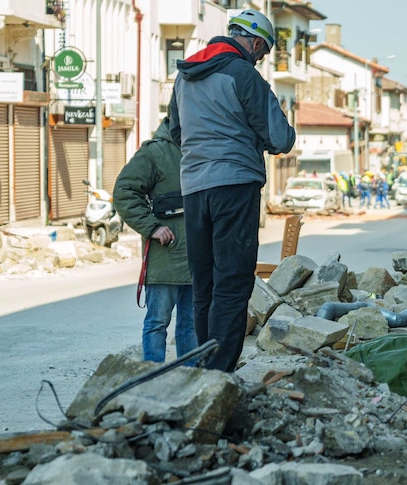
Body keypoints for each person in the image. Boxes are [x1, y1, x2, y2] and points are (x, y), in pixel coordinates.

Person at [169, 9, 295, 372]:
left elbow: (177, 132)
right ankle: (220, 373)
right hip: (235, 186)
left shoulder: (184, 76)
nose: (261, 59)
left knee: (203, 281)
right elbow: (280, 138)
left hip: (193, 188)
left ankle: (204, 362)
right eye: (263, 52)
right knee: (233, 281)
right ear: (256, 42)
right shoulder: (243, 74)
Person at [113, 117, 197, 365]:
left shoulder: (202, 151)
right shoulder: (154, 153)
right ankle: (151, 376)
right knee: (157, 322)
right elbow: (124, 192)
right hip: (165, 258)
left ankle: (189, 380)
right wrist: (152, 227)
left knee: (191, 325)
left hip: (197, 260)